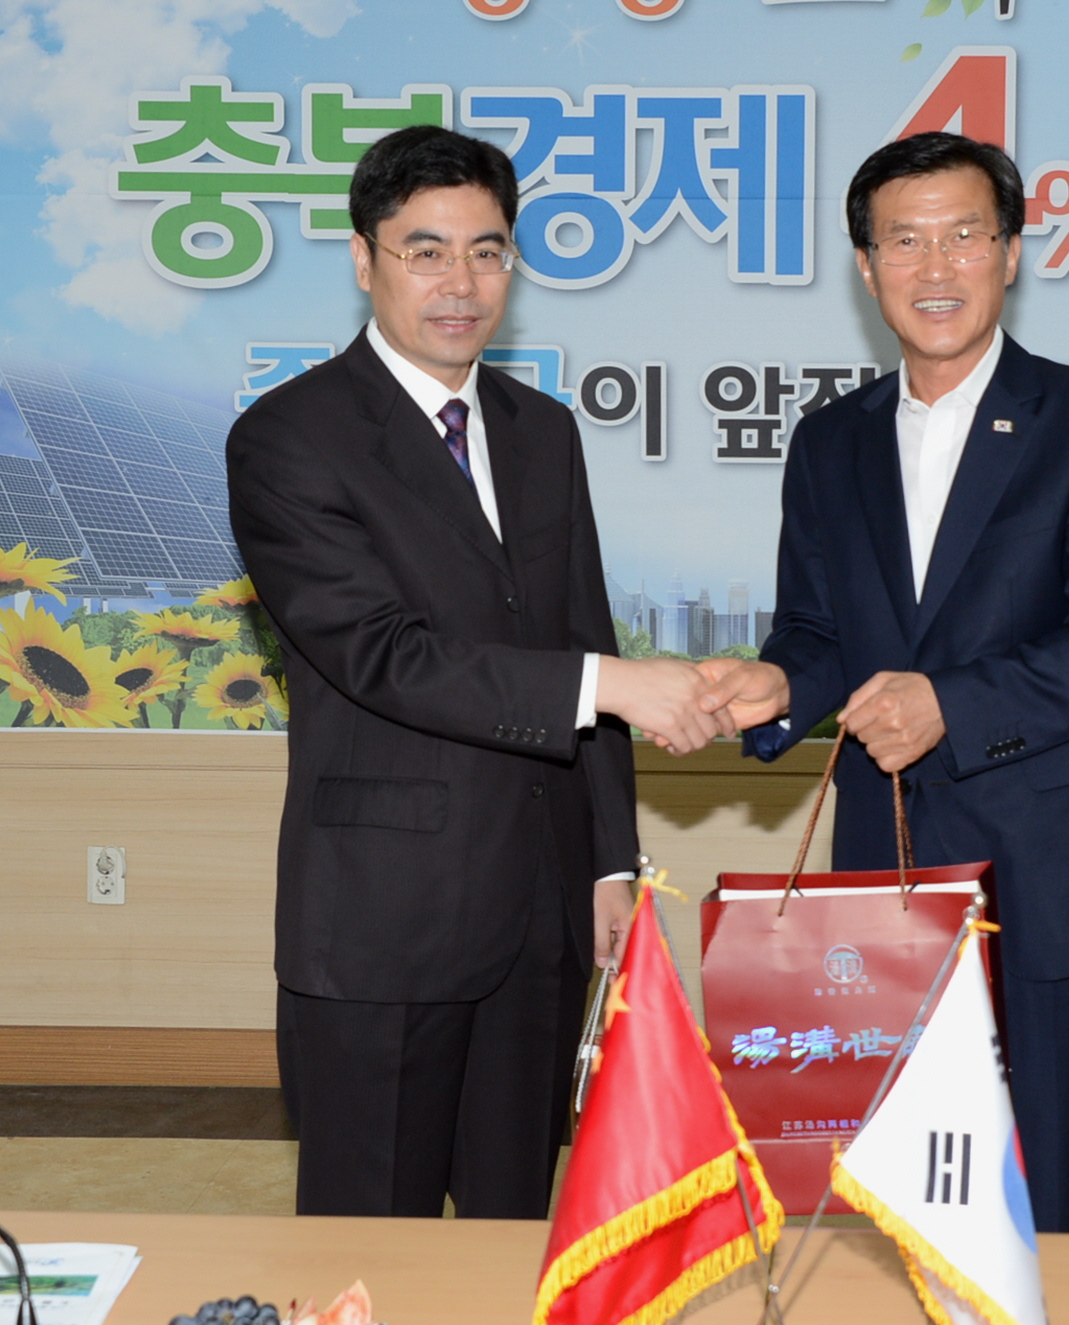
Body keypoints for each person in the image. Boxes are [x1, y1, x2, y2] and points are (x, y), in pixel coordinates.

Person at [227, 125, 728, 1218]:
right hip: (384, 920)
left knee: (514, 1232)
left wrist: (609, 861)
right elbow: (382, 653)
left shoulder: (541, 430)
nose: (460, 282)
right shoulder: (289, 438)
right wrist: (612, 683)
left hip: (541, 914)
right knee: (371, 1236)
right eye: (425, 251)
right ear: (364, 259)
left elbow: (577, 624)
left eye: (487, 251)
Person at [697, 132, 1069, 1233]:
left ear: (1009, 252)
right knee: (912, 1198)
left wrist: (950, 703)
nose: (936, 266)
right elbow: (819, 629)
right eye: (904, 241)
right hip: (888, 878)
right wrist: (775, 682)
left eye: (964, 235)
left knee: (1057, 1207)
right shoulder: (831, 440)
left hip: (1057, 885)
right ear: (866, 267)